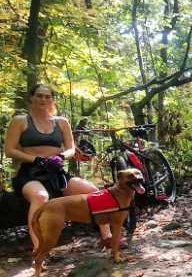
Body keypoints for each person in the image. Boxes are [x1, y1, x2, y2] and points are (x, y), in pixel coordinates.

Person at [4, 83, 114, 252]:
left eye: (47, 96)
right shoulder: (20, 121)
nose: (43, 99)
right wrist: (36, 160)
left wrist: (61, 156)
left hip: (57, 173)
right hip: (30, 173)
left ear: (52, 100)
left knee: (93, 191)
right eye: (39, 95)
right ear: (31, 98)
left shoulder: (62, 122)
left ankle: (107, 237)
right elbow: (9, 150)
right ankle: (38, 250)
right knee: (40, 197)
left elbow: (71, 148)